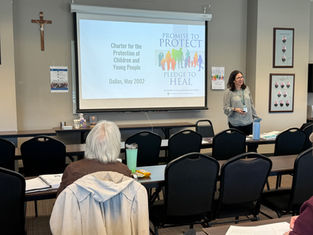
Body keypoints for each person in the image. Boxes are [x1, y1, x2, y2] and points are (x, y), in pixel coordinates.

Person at [57, 120, 132, 196]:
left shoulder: (73, 170)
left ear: (89, 142)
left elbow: (61, 203)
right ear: (116, 145)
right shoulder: (125, 172)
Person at [223, 70, 259, 136]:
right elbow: (226, 109)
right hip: (236, 124)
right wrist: (235, 109)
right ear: (233, 80)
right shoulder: (228, 92)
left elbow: (251, 104)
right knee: (240, 145)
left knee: (253, 145)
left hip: (249, 122)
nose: (241, 79)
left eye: (242, 77)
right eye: (238, 78)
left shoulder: (246, 89)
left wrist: (256, 117)